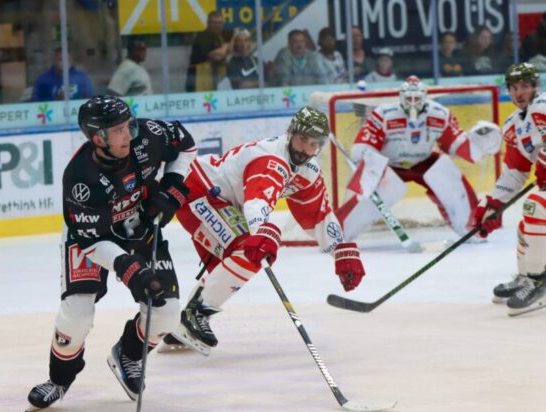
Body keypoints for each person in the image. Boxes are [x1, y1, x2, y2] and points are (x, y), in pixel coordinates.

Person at [26, 96, 197, 411]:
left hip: (139, 227)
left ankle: (129, 355)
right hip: (91, 238)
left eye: (128, 125)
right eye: (118, 131)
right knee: (76, 315)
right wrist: (129, 269)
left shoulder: (147, 135)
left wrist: (172, 188)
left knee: (168, 313)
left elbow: (185, 145)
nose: (128, 134)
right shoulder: (81, 178)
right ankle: (59, 380)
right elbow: (91, 242)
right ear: (97, 138)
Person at [161, 107, 366, 355]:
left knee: (236, 259)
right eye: (302, 139)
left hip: (224, 203)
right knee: (247, 249)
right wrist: (260, 231)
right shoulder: (271, 160)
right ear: (291, 133)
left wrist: (340, 249)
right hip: (198, 190)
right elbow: (257, 202)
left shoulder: (308, 171)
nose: (305, 149)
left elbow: (318, 216)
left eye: (313, 144)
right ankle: (194, 315)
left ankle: (183, 324)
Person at [335, 75, 502, 241]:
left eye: (417, 98)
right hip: (391, 164)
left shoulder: (440, 114)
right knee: (372, 193)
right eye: (409, 98)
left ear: (425, 97)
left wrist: (477, 145)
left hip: (424, 162)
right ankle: (336, 234)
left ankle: (471, 228)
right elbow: (366, 143)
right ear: (401, 97)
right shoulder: (384, 114)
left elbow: (454, 144)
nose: (413, 103)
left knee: (447, 174)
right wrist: (364, 161)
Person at [471, 63, 546, 316]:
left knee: (535, 205)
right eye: (514, 87)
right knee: (528, 224)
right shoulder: (513, 125)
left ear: (535, 87)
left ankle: (539, 282)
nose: (519, 92)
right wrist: (493, 204)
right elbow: (516, 171)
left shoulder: (544, 106)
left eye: (525, 86)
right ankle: (527, 277)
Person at [185, 11, 233, 92]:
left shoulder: (220, 36)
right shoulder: (202, 37)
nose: (218, 25)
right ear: (208, 23)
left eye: (220, 23)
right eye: (215, 23)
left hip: (214, 79)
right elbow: (216, 56)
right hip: (198, 81)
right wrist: (226, 46)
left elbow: (237, 33)